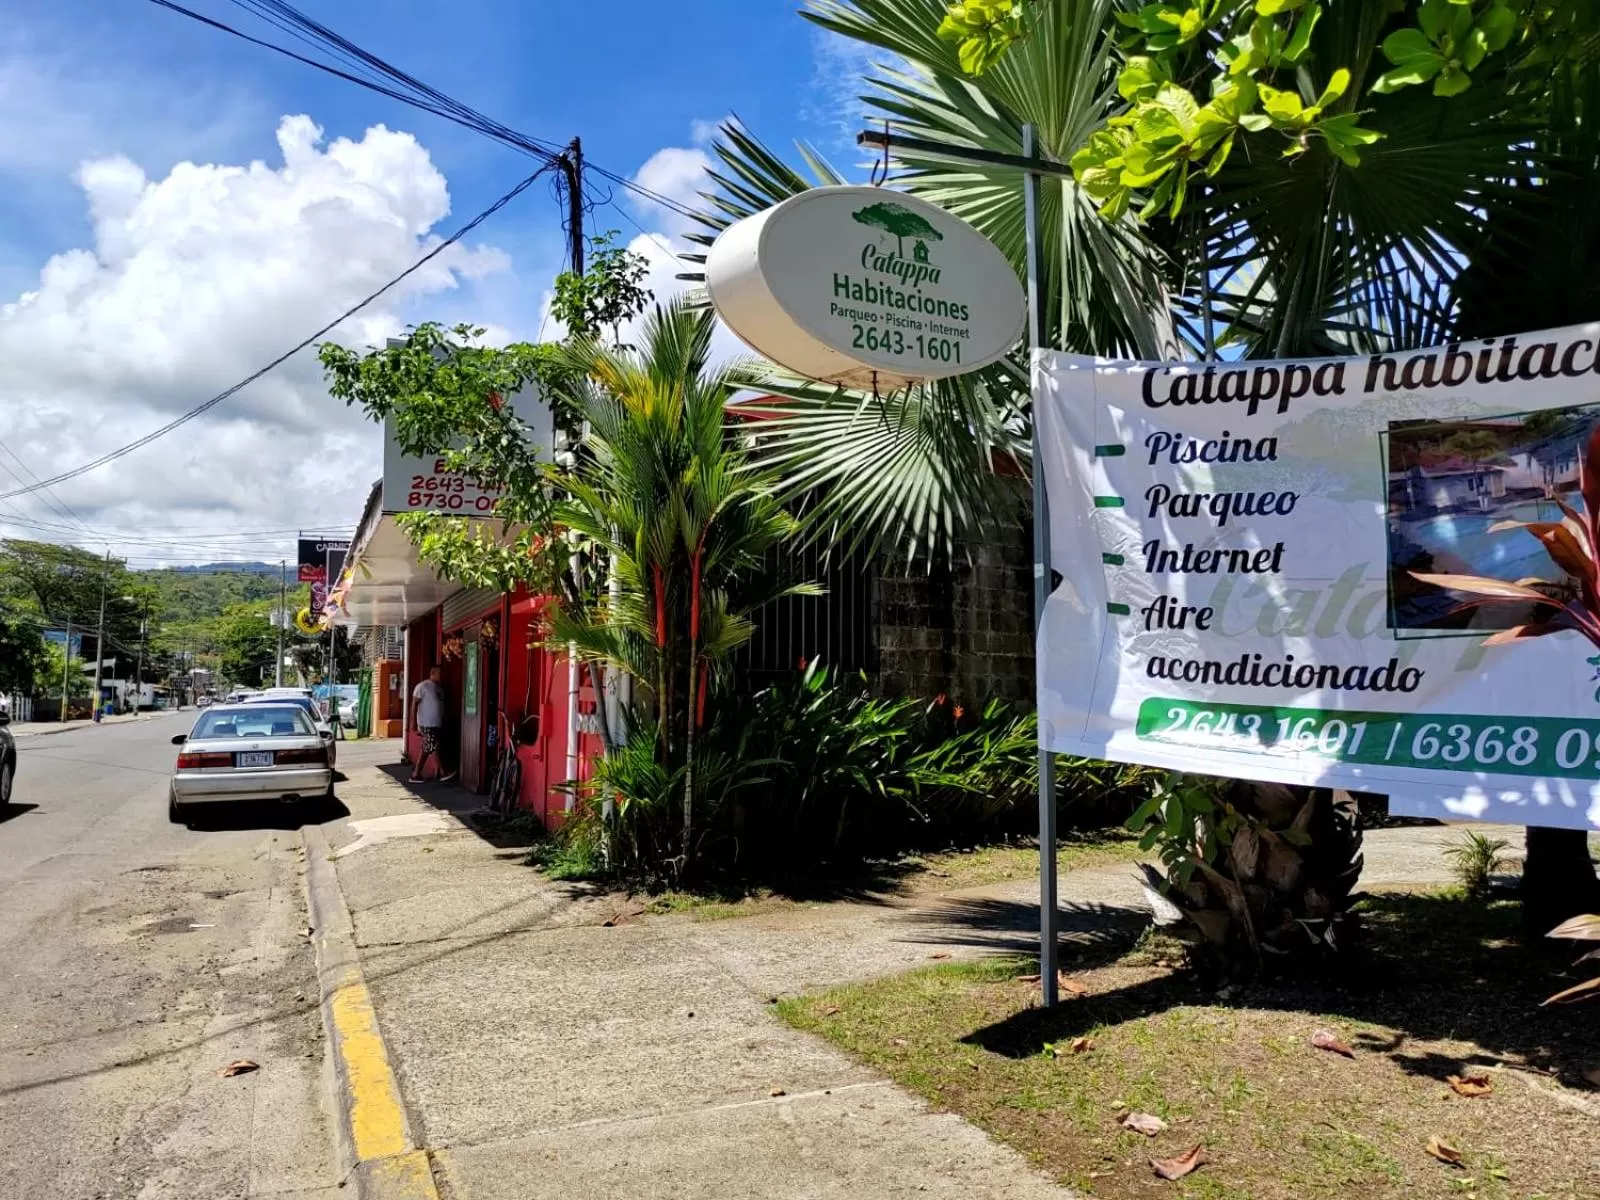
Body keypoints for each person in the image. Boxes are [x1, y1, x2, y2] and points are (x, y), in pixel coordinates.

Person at [409, 665, 456, 784]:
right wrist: (413, 721)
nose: (442, 676)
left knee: (426, 748)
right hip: (426, 723)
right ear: (433, 673)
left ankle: (416, 774)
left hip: (436, 723)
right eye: (439, 673)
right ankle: (442, 771)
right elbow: (414, 704)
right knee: (434, 746)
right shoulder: (423, 686)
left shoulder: (439, 688)